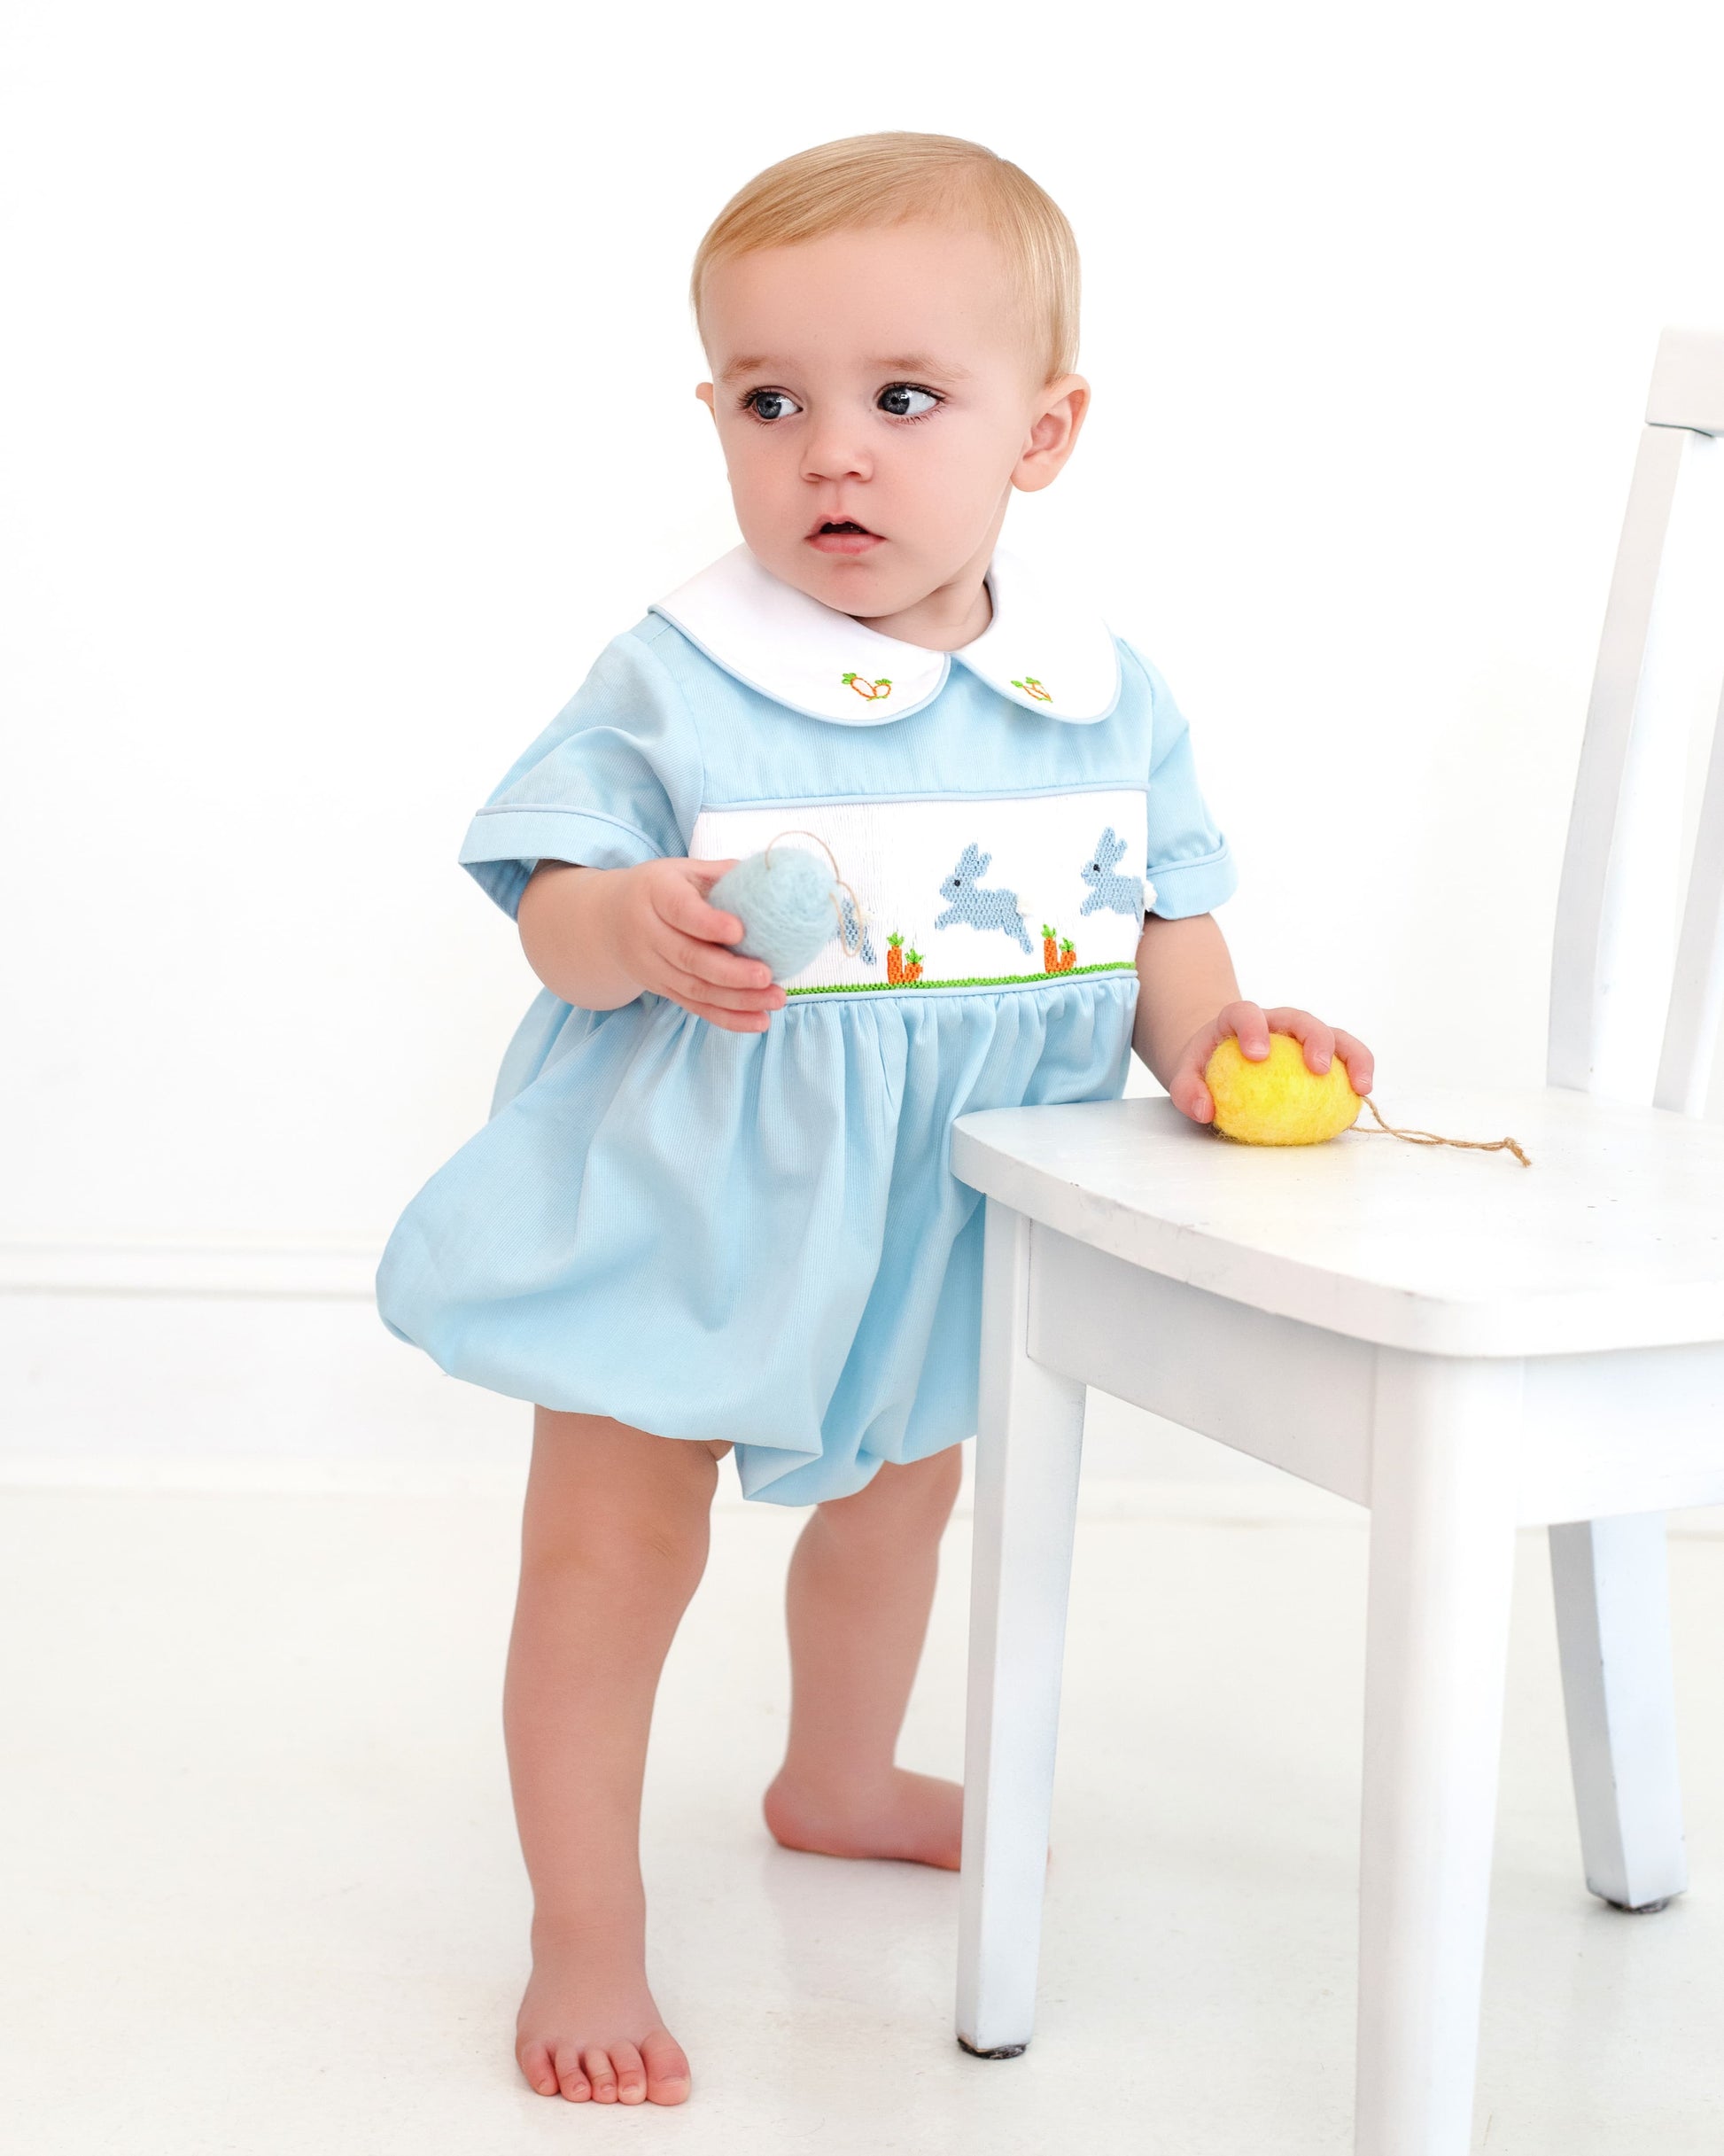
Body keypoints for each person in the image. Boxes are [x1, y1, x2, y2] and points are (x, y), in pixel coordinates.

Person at [377, 130, 1373, 2107]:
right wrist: (626, 924)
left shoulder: (1095, 691)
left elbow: (1160, 907)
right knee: (607, 1546)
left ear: (1045, 428)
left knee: (901, 1491)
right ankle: (580, 1919)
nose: (832, 450)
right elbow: (547, 908)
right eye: (773, 401)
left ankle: (835, 1768)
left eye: (903, 399)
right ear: (718, 415)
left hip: (941, 1197)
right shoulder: (682, 677)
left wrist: (1214, 1036)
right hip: (695, 1192)